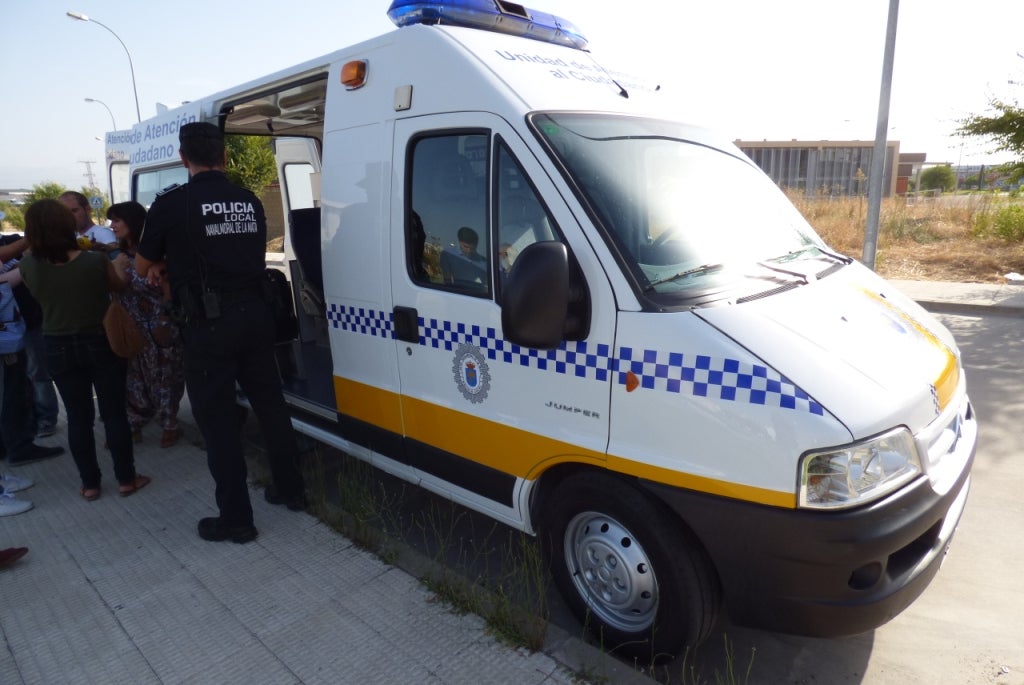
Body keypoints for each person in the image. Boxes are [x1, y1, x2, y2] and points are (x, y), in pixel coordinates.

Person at [136, 121, 306, 544]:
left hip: (208, 325)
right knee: (271, 406)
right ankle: (291, 491)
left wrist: (163, 266)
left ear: (183, 159)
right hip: (257, 316)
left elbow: (141, 266)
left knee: (218, 422)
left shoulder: (171, 204)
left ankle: (237, 520)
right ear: (224, 156)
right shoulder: (248, 200)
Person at [19, 199, 150, 501]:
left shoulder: (28, 266)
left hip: (56, 344)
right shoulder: (93, 261)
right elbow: (118, 286)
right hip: (100, 341)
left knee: (78, 419)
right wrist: (118, 266)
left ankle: (90, 484)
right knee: (114, 413)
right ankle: (126, 478)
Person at [108, 201, 185, 448]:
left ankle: (169, 424)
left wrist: (164, 319)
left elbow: (168, 288)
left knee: (165, 377)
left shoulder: (153, 255)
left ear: (132, 222)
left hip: (158, 326)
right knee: (134, 379)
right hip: (132, 328)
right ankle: (135, 424)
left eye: (117, 220)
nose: (112, 226)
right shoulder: (119, 256)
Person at [0, 273, 64, 467]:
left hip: (12, 332)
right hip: (7, 339)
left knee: (15, 388)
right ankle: (19, 446)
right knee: (13, 392)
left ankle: (10, 443)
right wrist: (24, 267)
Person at [0, 233, 59, 439]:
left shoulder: (11, 240)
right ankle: (28, 422)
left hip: (28, 320)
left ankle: (45, 418)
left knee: (38, 372)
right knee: (20, 378)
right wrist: (24, 263)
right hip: (9, 329)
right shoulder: (16, 246)